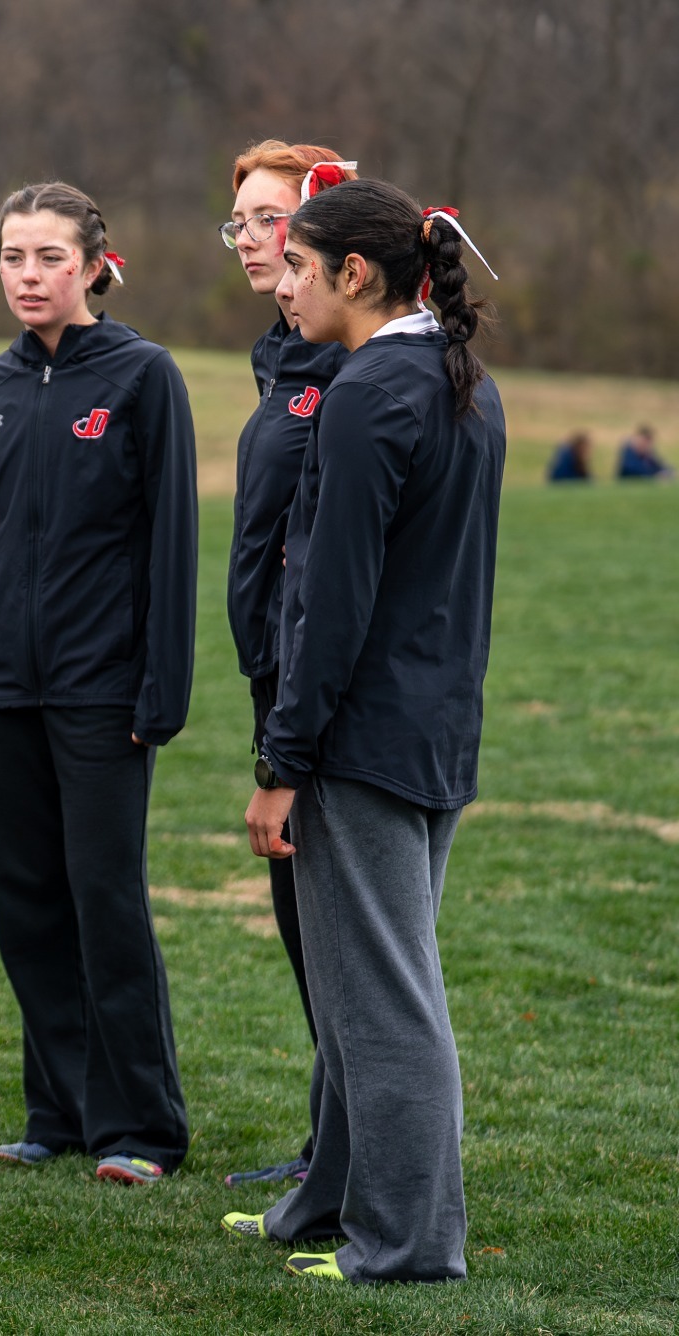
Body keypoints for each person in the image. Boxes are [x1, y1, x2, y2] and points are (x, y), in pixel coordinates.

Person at [223, 178, 506, 1285]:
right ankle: (326, 1200)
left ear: (354, 273)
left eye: (297, 266)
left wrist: (282, 761)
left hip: (364, 739)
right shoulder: (457, 379)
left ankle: (406, 1244)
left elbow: (328, 602)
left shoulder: (365, 393)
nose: (282, 286)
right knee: (358, 988)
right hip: (434, 729)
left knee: (384, 1001)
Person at [0, 182, 197, 1187]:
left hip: (102, 694)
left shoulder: (142, 377)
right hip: (4, 691)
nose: (28, 275)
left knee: (104, 902)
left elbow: (170, 545)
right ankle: (61, 1111)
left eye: (48, 257)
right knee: (26, 904)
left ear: (91, 265)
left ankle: (143, 1126)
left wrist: (159, 693)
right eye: (12, 256)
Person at [219, 142, 357, 1189]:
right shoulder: (280, 354)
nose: (250, 240)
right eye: (240, 222)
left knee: (342, 942)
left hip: (325, 690)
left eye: (270, 219)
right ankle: (330, 1147)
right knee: (304, 931)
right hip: (275, 678)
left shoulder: (350, 365)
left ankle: (356, 1164)